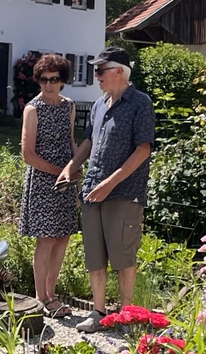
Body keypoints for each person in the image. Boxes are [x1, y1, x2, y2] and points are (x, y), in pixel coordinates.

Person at [60, 46, 156, 331]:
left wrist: (110, 183)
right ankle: (98, 314)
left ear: (119, 71)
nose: (96, 75)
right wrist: (71, 167)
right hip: (93, 191)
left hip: (124, 193)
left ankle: (126, 316)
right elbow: (89, 141)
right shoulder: (99, 104)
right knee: (95, 257)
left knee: (123, 257)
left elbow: (143, 150)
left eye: (100, 70)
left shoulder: (141, 103)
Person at [18, 53, 78, 316]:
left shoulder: (69, 106)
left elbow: (71, 141)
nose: (48, 85)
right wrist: (59, 172)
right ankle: (40, 298)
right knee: (46, 239)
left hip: (66, 181)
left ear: (62, 80)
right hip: (44, 181)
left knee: (63, 237)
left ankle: (52, 296)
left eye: (54, 79)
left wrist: (75, 168)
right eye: (43, 80)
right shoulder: (33, 109)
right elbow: (27, 155)